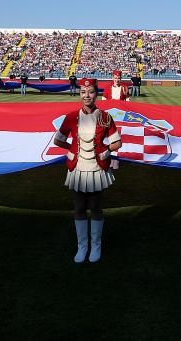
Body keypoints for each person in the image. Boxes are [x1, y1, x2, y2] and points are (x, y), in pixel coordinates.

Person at [53, 78, 122, 263]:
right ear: (80, 94)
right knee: (79, 207)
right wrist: (72, 147)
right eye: (83, 92)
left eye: (90, 92)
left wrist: (107, 151)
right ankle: (82, 247)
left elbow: (117, 142)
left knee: (96, 207)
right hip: (77, 167)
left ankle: (96, 246)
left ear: (96, 93)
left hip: (96, 167)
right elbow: (58, 140)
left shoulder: (105, 116)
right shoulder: (71, 116)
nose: (87, 96)